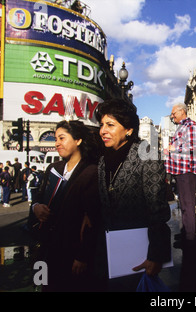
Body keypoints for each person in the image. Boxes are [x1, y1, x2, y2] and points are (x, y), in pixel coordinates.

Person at [94, 98, 171, 292]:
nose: (103, 130)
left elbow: (158, 209)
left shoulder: (147, 154)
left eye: (110, 125)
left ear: (128, 129)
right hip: (108, 249)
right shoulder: (103, 159)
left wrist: (156, 255)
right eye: (102, 125)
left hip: (139, 252)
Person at [32, 120, 100, 292]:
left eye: (62, 138)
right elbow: (38, 198)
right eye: (55, 139)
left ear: (78, 140)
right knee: (44, 286)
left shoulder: (91, 172)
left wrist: (82, 256)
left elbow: (93, 220)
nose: (57, 143)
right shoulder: (53, 168)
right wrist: (36, 207)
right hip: (46, 248)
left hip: (71, 252)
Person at [164, 102, 196, 291]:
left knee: (188, 204)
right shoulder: (182, 127)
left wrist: (172, 150)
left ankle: (190, 238)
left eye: (173, 114)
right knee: (184, 205)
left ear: (181, 112)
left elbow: (193, 149)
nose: (172, 116)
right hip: (179, 171)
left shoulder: (191, 126)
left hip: (186, 171)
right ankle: (187, 233)